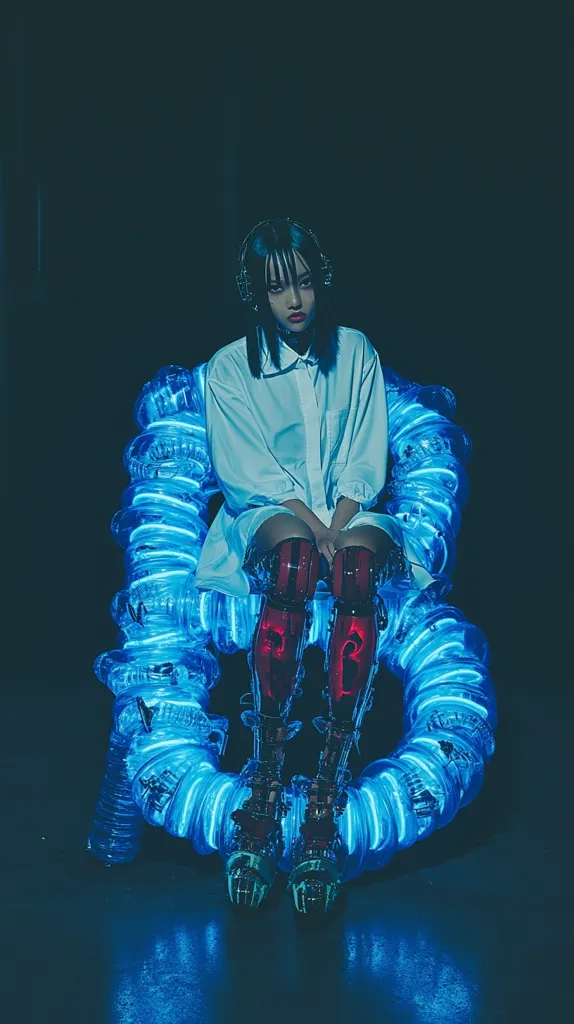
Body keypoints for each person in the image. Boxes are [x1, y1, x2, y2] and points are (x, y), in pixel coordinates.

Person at [193, 217, 434, 916]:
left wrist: (341, 523)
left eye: (301, 281)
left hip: (350, 509)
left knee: (354, 573)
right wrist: (314, 528)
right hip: (269, 512)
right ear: (255, 295)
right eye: (276, 288)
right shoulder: (232, 367)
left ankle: (324, 799)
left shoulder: (355, 351)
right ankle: (265, 792)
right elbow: (248, 473)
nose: (293, 300)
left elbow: (367, 451)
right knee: (297, 564)